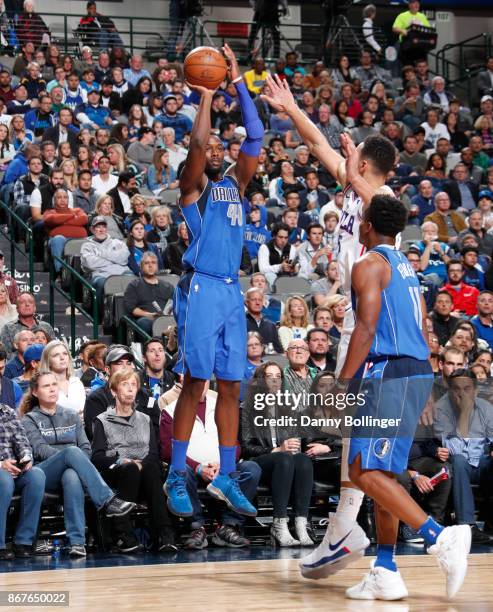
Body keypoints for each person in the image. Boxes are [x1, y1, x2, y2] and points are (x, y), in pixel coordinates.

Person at [262, 74, 397, 578]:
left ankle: (346, 530)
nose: (347, 153)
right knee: (348, 430)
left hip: (370, 326)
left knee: (356, 431)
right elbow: (317, 143)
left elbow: (346, 171)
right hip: (353, 317)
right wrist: (292, 107)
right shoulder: (359, 184)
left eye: (355, 154)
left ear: (365, 166)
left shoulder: (377, 202)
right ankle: (345, 529)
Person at [334, 194, 470, 600]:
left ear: (368, 224)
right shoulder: (407, 266)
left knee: (362, 470)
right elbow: (424, 323)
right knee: (384, 474)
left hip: (388, 370)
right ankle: (386, 568)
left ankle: (438, 537)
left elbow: (365, 329)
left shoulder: (369, 264)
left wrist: (342, 385)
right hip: (413, 371)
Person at [163, 45, 263, 520]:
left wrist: (239, 83)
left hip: (230, 290)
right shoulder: (194, 187)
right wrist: (205, 96)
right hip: (200, 285)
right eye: (214, 150)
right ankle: (177, 472)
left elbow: (257, 135)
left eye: (226, 148)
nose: (219, 151)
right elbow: (199, 148)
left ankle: (226, 473)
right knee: (196, 381)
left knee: (231, 387)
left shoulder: (236, 186)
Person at [21, 371, 135, 558]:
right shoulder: (29, 419)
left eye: (54, 385)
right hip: (43, 473)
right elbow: (39, 450)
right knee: (72, 453)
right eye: (46, 386)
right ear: (35, 392)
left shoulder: (71, 415)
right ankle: (107, 500)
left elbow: (86, 448)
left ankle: (77, 543)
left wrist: (72, 462)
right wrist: (68, 456)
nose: (51, 389)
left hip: (72, 471)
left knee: (72, 476)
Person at [160, 381, 261, 549]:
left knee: (252, 468)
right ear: (184, 379)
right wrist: (199, 467)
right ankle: (196, 528)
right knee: (181, 470)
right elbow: (167, 450)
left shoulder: (222, 405)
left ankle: (229, 526)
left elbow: (235, 444)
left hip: (221, 468)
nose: (201, 383)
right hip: (191, 470)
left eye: (205, 379)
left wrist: (224, 465)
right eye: (196, 378)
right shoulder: (170, 410)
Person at [92, 369, 177, 552]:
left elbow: (154, 453)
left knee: (152, 468)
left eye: (133, 385)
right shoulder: (102, 420)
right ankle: (122, 532)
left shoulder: (145, 419)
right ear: (114, 391)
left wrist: (141, 464)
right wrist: (123, 461)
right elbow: (98, 457)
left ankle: (163, 533)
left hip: (145, 472)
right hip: (117, 471)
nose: (130, 389)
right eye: (125, 384)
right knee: (130, 469)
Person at [241, 361, 316, 546]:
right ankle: (279, 523)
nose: (275, 381)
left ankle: (300, 523)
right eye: (269, 377)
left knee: (303, 460)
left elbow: (301, 438)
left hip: (285, 462)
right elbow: (245, 446)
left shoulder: (288, 407)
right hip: (259, 462)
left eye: (278, 377)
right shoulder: (248, 408)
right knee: (283, 458)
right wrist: (276, 450)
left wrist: (297, 444)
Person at [433, 370, 493, 545]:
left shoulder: (486, 408)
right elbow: (452, 449)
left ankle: (490, 520)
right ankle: (468, 526)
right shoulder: (440, 410)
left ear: (475, 390)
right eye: (456, 389)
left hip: (480, 462)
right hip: (457, 466)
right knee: (458, 460)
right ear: (449, 390)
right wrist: (465, 414)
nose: (461, 393)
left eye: (467, 389)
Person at [84, 345, 160, 441]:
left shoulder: (146, 396)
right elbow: (97, 436)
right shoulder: (96, 399)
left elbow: (156, 431)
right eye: (119, 363)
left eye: (128, 363)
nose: (125, 367)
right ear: (107, 369)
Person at [0, 399, 45, 559]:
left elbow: (22, 440)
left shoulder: (7, 412)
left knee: (36, 475)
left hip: (14, 468)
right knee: (3, 480)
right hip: (2, 471)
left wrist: (26, 457)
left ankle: (23, 542)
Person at [80, 216, 132, 310]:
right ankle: (102, 315)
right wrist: (114, 260)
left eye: (103, 227)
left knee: (131, 277)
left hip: (121, 272)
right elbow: (90, 264)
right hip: (100, 275)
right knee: (101, 283)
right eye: (98, 227)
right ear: (92, 229)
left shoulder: (117, 242)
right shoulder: (87, 246)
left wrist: (100, 254)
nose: (101, 230)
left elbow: (124, 258)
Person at [123, 252, 174, 337]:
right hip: (147, 319)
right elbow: (131, 308)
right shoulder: (134, 285)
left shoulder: (168, 286)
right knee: (144, 322)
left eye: (153, 263)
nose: (150, 265)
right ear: (141, 267)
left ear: (157, 266)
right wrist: (149, 315)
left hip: (167, 318)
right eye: (146, 263)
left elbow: (176, 305)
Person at [43, 188, 88, 274]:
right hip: (60, 240)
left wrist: (62, 222)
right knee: (58, 239)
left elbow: (84, 219)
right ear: (54, 200)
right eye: (59, 197)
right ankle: (61, 273)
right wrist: (72, 216)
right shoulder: (49, 212)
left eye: (65, 197)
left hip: (79, 240)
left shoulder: (77, 210)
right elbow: (51, 219)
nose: (62, 200)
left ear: (68, 199)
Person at [39, 339, 86, 419]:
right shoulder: (43, 386)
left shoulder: (77, 382)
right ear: (48, 361)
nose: (62, 358)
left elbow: (82, 412)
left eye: (65, 354)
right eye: (56, 355)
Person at [0, 292, 55, 356]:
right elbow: (6, 355)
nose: (27, 304)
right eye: (22, 302)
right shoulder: (7, 328)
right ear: (17, 309)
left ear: (35, 308)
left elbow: (53, 351)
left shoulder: (46, 327)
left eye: (30, 302)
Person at [245, 288, 283, 354]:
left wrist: (275, 352)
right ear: (246, 302)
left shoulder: (271, 325)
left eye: (260, 300)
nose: (257, 303)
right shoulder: (239, 323)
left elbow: (279, 350)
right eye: (253, 300)